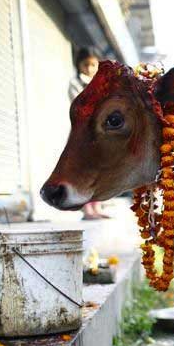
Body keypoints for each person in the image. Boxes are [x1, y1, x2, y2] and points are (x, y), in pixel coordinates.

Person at [69, 47, 109, 220]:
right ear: (79, 65)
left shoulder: (102, 83)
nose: (90, 69)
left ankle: (97, 206)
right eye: (86, 64)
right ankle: (87, 209)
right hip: (83, 133)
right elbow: (79, 104)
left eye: (94, 64)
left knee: (100, 168)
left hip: (100, 133)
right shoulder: (75, 83)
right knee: (84, 170)